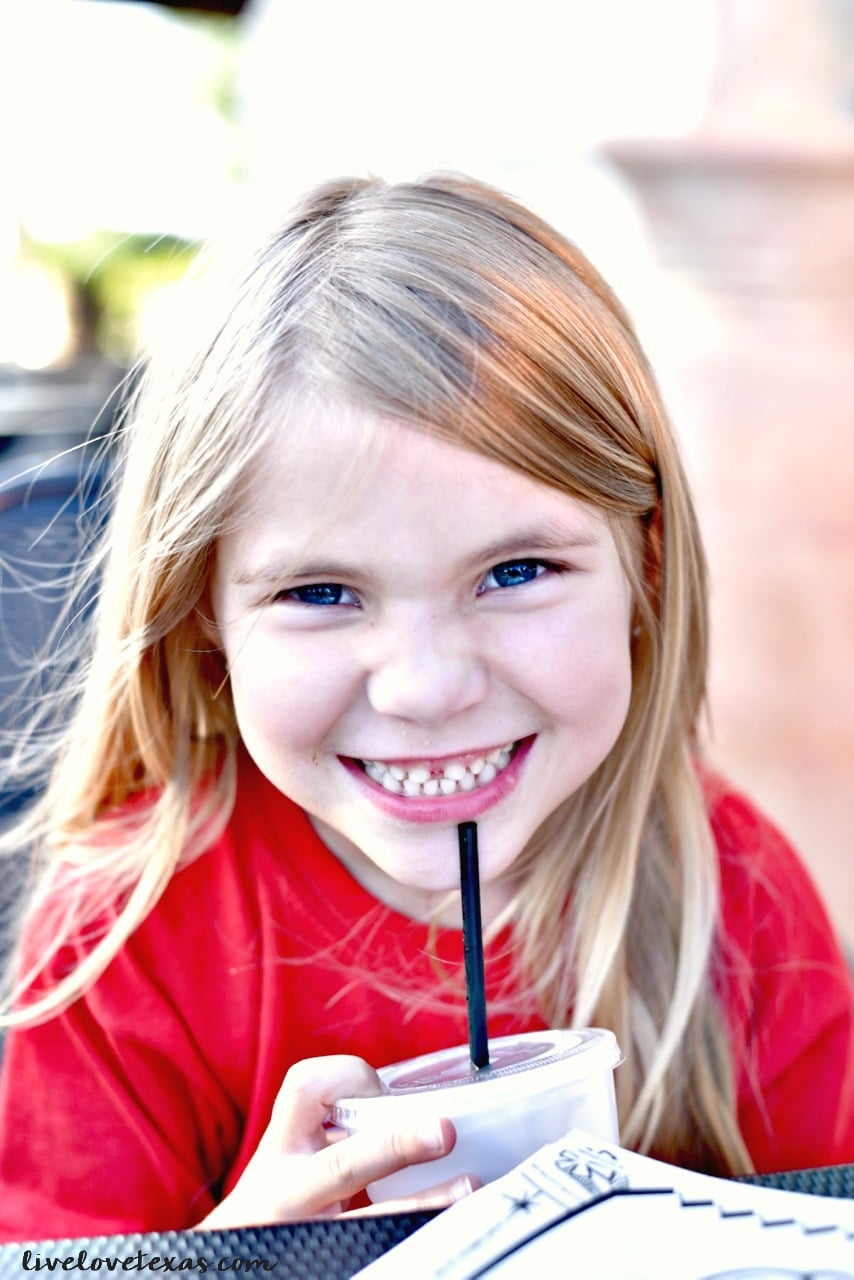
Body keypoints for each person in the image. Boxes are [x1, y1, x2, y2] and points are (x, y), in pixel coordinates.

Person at [0, 173, 851, 1241]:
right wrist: (237, 1260)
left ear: (642, 564)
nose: (424, 685)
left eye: (515, 571)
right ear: (201, 616)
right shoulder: (124, 938)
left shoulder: (730, 898)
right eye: (320, 592)